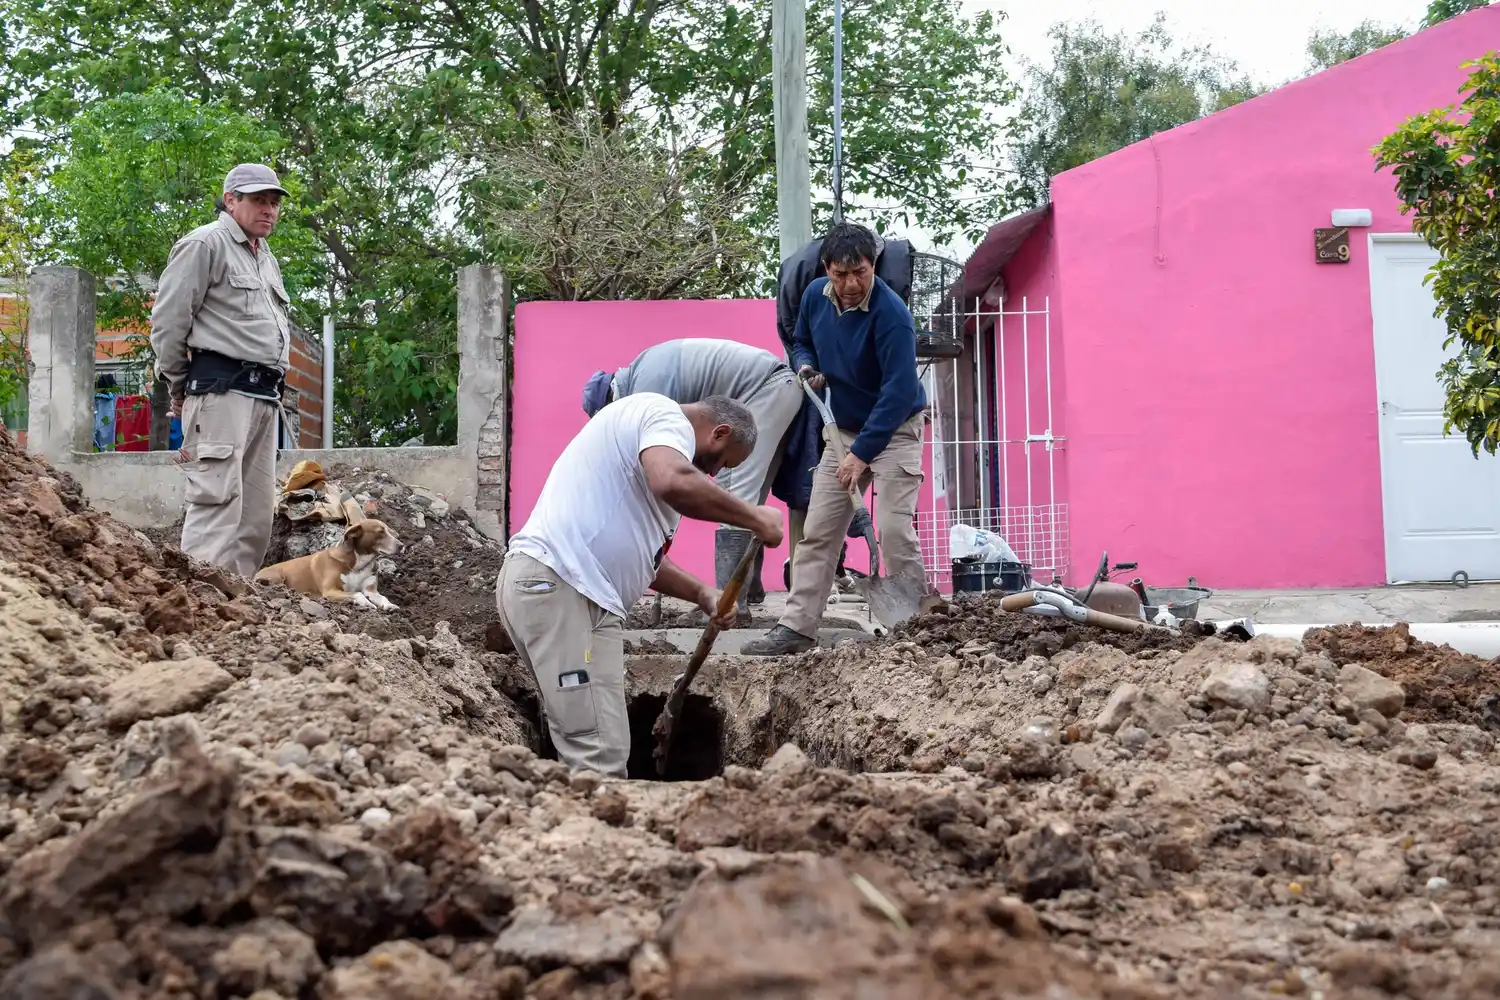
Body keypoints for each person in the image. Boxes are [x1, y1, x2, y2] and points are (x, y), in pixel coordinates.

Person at [498, 393, 784, 776]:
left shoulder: (649, 443)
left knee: (595, 740)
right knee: (597, 754)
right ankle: (596, 833)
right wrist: (754, 518)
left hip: (573, 595)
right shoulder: (663, 416)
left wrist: (701, 592)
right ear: (719, 432)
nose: (712, 476)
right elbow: (672, 481)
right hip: (562, 589)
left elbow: (646, 559)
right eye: (721, 463)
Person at [742, 223, 929, 656]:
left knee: (895, 528)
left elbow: (899, 392)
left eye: (860, 272)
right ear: (827, 268)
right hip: (842, 429)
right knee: (818, 531)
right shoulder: (814, 297)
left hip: (896, 428)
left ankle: (916, 625)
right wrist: (806, 365)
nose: (850, 284)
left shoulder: (892, 316)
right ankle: (796, 627)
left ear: (873, 267)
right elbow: (800, 341)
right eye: (840, 274)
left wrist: (862, 456)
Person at [580, 338, 802, 622]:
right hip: (774, 388)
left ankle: (730, 603)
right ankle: (748, 591)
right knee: (745, 497)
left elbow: (669, 474)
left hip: (765, 390)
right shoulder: (643, 371)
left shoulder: (645, 392)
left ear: (611, 402)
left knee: (736, 493)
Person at [150, 163, 292, 578]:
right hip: (221, 392)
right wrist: (179, 385)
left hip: (264, 397)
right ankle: (199, 608)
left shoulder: (265, 257)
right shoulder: (205, 244)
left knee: (255, 516)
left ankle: (237, 614)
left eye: (273, 202)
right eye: (258, 200)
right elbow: (170, 321)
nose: (269, 210)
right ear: (231, 201)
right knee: (217, 504)